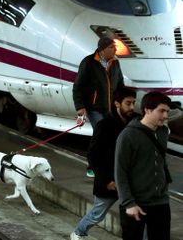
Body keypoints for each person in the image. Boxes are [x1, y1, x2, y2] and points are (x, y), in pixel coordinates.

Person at [70, 87, 137, 240]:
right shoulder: (105, 125)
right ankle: (78, 233)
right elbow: (93, 155)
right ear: (117, 104)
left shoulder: (135, 121)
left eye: (134, 103)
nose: (132, 107)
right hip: (110, 181)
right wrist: (106, 180)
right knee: (97, 214)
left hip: (130, 180)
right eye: (128, 103)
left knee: (136, 216)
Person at [115, 91, 173, 240]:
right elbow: (120, 172)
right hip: (135, 203)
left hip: (160, 201)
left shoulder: (163, 132)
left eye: (167, 111)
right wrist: (128, 203)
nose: (166, 116)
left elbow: (159, 161)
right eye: (161, 111)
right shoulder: (128, 136)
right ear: (147, 110)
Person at [73, 36, 124, 178]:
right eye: (111, 47)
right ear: (102, 49)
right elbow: (78, 86)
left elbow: (120, 84)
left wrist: (122, 101)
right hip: (94, 107)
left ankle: (108, 164)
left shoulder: (115, 63)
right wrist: (80, 107)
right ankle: (92, 166)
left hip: (111, 108)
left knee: (112, 135)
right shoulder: (89, 62)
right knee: (101, 133)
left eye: (115, 47)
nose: (114, 49)